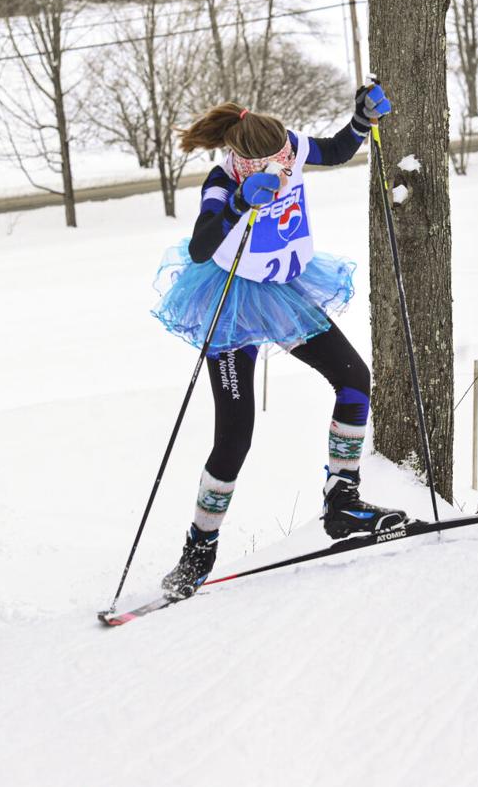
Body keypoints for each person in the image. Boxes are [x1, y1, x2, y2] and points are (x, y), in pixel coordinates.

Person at [151, 84, 406, 599]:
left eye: (285, 161)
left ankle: (343, 500)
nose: (282, 170)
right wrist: (240, 204)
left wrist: (360, 123)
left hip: (283, 291)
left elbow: (332, 150)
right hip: (228, 305)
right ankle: (199, 549)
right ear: (242, 164)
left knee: (354, 378)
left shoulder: (290, 146)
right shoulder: (224, 182)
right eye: (267, 167)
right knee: (235, 433)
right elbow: (202, 248)